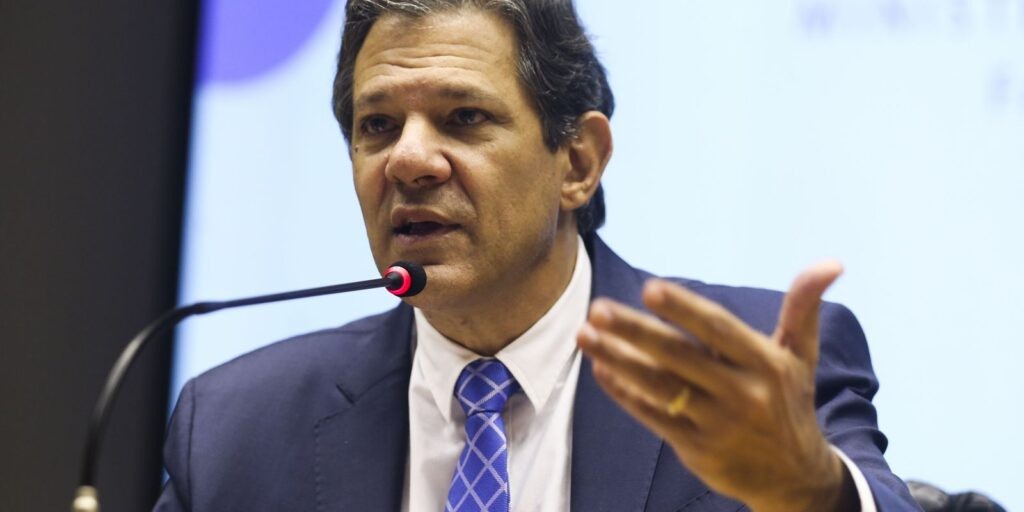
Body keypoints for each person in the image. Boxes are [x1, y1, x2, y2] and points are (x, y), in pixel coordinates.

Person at [155, 1, 921, 510]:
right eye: (378, 126)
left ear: (578, 162)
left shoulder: (744, 372)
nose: (408, 160)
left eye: (463, 116)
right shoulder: (234, 430)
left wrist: (814, 492)